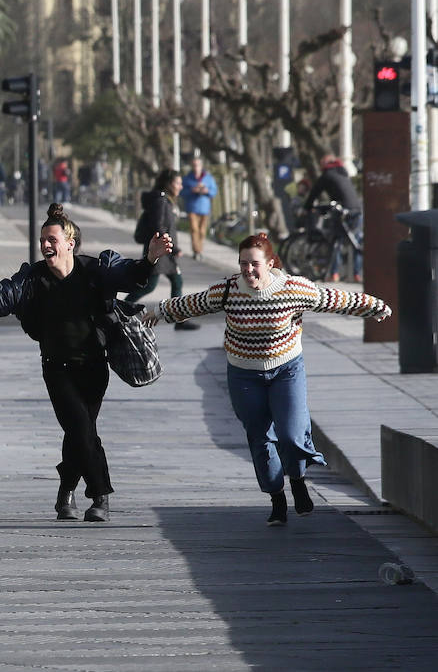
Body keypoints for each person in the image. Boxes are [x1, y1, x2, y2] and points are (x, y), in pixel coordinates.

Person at [0, 204, 173, 522]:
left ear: (70, 243)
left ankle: (66, 491)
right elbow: (1, 297)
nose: (45, 245)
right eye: (42, 241)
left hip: (94, 366)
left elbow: (129, 278)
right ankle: (100, 497)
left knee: (79, 431)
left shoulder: (94, 271)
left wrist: (150, 258)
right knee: (80, 427)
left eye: (51, 239)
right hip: (56, 368)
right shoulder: (33, 278)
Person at [147, 233, 390, 526]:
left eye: (254, 264)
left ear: (271, 263)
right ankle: (277, 498)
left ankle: (298, 479)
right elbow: (190, 304)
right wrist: (157, 311)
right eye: (243, 264)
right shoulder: (228, 291)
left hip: (286, 369)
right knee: (260, 438)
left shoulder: (292, 288)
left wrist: (373, 306)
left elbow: (334, 299)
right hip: (243, 374)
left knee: (291, 433)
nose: (248, 270)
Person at [128, 169, 198, 331]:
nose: (180, 186)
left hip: (165, 250)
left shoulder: (165, 200)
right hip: (160, 250)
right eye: (178, 183)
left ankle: (179, 319)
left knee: (176, 280)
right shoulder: (160, 202)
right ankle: (121, 308)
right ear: (168, 183)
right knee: (149, 285)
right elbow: (158, 227)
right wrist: (172, 248)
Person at [302, 154, 363, 281]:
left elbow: (314, 192)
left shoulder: (327, 175)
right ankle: (357, 274)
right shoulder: (342, 172)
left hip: (343, 210)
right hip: (356, 208)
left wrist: (307, 208)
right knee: (356, 242)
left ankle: (334, 273)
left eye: (322, 163)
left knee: (337, 242)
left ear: (326, 164)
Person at [180, 157, 218, 261]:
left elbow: (214, 191)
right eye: (194, 165)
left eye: (198, 165)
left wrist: (207, 191)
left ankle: (200, 250)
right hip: (192, 207)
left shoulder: (208, 178)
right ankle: (196, 251)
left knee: (202, 231)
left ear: (201, 166)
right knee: (194, 229)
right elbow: (182, 192)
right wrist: (192, 190)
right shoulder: (187, 178)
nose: (196, 167)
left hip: (205, 208)